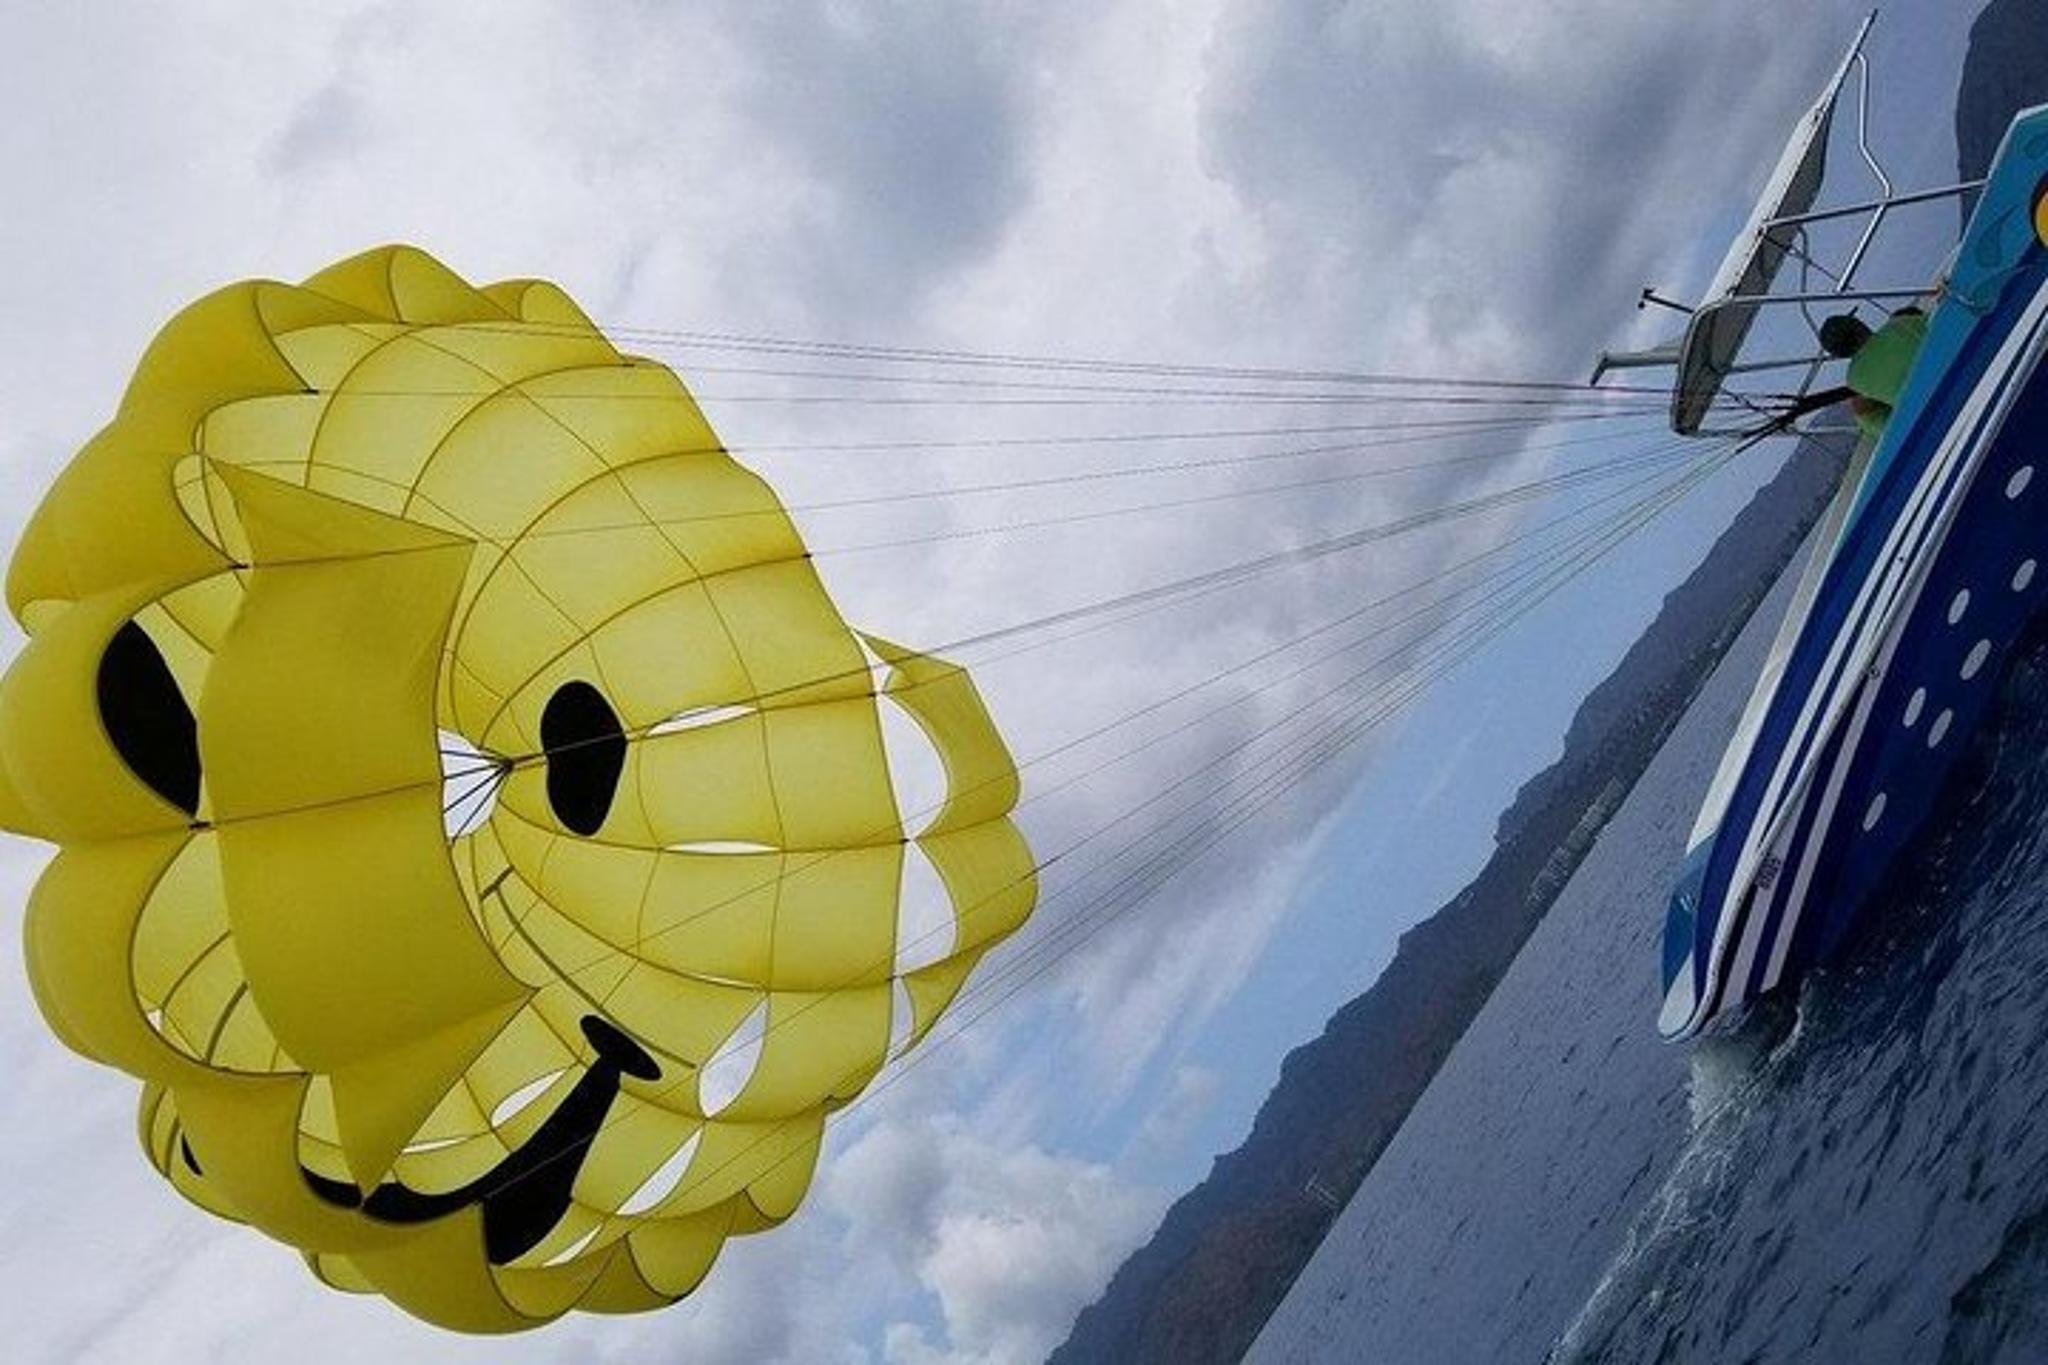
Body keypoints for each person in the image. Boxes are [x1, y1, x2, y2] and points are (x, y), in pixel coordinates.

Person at [1817, 308, 1929, 439]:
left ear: (1839, 354)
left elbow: (1871, 422)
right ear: (1859, 326)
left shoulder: (1854, 380)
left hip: (1925, 413)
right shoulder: (1899, 325)